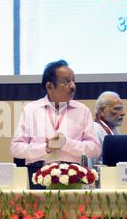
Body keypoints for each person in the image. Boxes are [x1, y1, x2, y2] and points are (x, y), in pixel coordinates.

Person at [10, 60, 101, 188]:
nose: (73, 86)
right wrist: (45, 148)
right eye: (66, 81)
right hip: (38, 175)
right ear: (49, 86)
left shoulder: (82, 110)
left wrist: (66, 143)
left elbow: (95, 149)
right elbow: (16, 149)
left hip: (72, 176)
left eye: (73, 81)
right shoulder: (31, 110)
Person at [86, 91, 125, 167]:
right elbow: (89, 165)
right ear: (102, 112)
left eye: (122, 109)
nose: (123, 113)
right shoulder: (94, 129)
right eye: (117, 109)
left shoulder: (114, 130)